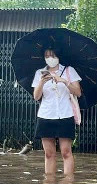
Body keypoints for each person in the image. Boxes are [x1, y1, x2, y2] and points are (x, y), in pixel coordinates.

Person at [31, 45, 81, 177]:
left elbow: (78, 92)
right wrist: (41, 82)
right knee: (49, 153)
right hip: (46, 115)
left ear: (58, 56)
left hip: (65, 115)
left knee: (66, 152)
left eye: (52, 56)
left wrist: (64, 81)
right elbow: (36, 97)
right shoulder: (39, 73)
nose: (50, 59)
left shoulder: (69, 71)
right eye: (47, 56)